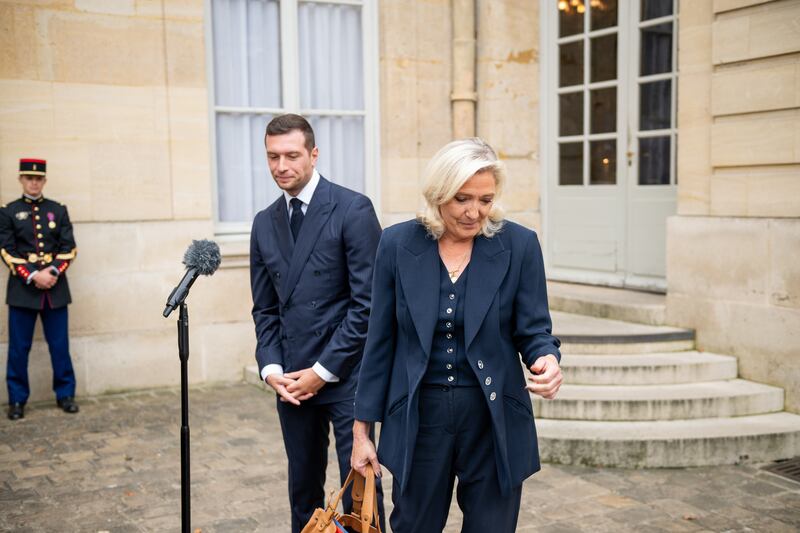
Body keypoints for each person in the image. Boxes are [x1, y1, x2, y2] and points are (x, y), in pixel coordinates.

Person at [350, 138, 563, 532]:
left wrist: (547, 359)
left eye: (485, 200)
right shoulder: (397, 244)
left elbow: (534, 329)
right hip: (419, 417)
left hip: (493, 419)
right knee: (414, 526)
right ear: (438, 195)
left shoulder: (519, 245)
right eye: (462, 199)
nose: (474, 212)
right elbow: (379, 342)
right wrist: (361, 432)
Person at [250, 114, 384, 532]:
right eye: (272, 157)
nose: (281, 166)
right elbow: (265, 310)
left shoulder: (352, 208)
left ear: (313, 154)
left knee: (362, 494)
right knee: (302, 491)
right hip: (292, 383)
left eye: (291, 155)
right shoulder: (263, 222)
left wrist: (322, 373)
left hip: (346, 378)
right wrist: (272, 370)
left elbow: (368, 305)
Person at [0, 159, 79, 420]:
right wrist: (34, 275)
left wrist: (52, 272)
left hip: (54, 290)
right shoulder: (8, 211)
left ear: (44, 181)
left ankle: (65, 394)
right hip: (23, 291)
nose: (33, 182)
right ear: (21, 180)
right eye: (28, 178)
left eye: (38, 179)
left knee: (59, 345)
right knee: (19, 348)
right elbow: (6, 251)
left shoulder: (58, 210)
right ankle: (17, 400)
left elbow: (69, 248)